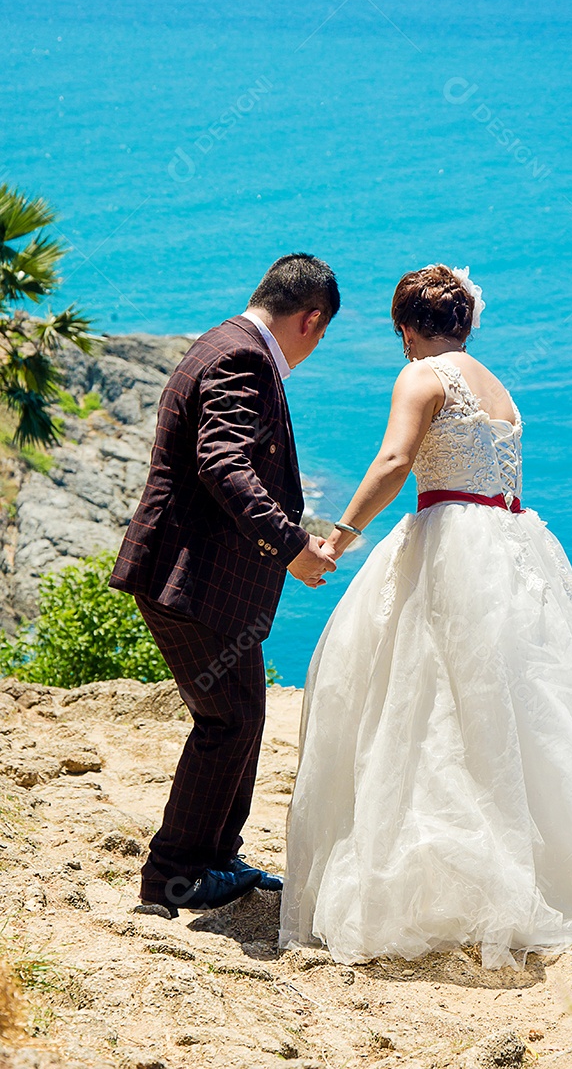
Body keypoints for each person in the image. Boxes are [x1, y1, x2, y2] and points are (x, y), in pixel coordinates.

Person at [279, 262, 572, 969]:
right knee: (522, 709)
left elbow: (393, 460)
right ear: (465, 321)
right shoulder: (495, 385)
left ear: (407, 327)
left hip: (449, 541)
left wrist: (337, 536)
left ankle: (439, 881)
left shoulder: (422, 375)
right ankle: (554, 876)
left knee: (415, 702)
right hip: (514, 544)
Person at [110, 253, 339, 916]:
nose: (313, 350)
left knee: (239, 716)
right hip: (191, 578)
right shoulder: (244, 358)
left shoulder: (222, 340)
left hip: (192, 576)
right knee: (227, 721)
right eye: (319, 336)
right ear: (310, 318)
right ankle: (171, 879)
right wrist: (292, 545)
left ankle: (215, 859)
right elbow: (224, 463)